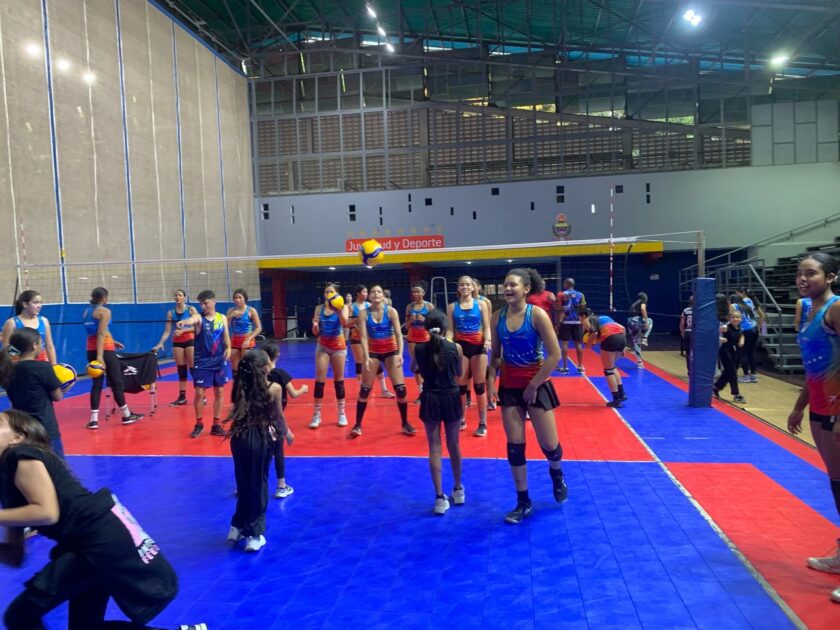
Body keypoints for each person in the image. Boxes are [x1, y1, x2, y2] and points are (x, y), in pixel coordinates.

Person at [0, 410, 209, 630]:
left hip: (98, 540)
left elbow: (47, 512)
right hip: (95, 540)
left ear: (17, 437)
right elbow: (15, 555)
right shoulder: (8, 479)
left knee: (20, 615)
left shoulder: (20, 455)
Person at [490, 268, 567, 524]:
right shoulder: (497, 317)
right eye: (505, 284)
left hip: (536, 385)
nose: (507, 289)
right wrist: (490, 382)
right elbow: (496, 355)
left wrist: (534, 385)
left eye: (513, 285)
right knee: (514, 447)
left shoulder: (537, 315)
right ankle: (523, 502)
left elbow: (555, 355)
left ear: (526, 289)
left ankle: (556, 473)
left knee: (550, 447)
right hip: (510, 387)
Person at [787, 252, 840, 604]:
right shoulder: (809, 310)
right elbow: (813, 366)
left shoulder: (836, 308)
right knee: (837, 484)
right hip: (821, 408)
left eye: (811, 273)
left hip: (838, 410)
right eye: (799, 273)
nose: (803, 279)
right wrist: (800, 405)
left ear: (830, 276)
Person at [226, 350, 294, 552]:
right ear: (265, 367)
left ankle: (237, 526)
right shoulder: (274, 388)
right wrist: (287, 433)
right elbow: (279, 417)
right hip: (259, 439)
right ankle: (254, 534)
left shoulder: (240, 386)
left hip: (238, 438)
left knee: (243, 482)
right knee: (258, 484)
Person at [411, 310, 464, 515]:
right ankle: (458, 489)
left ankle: (440, 498)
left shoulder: (419, 348)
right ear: (445, 327)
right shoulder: (455, 347)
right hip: (451, 396)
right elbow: (459, 373)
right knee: (454, 444)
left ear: (426, 328)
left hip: (430, 397)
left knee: (434, 446)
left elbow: (413, 368)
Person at [352, 284, 416, 437]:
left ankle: (405, 423)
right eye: (373, 291)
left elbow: (399, 335)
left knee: (401, 390)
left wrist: (400, 354)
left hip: (391, 350)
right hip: (373, 351)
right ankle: (357, 425)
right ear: (369, 296)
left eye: (379, 291)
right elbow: (363, 337)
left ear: (383, 296)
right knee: (364, 390)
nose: (376, 294)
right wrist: (366, 357)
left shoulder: (391, 311)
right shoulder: (363, 313)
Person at [82, 287, 143, 430]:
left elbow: (98, 331)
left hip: (90, 349)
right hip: (105, 350)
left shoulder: (86, 311)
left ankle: (93, 420)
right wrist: (100, 356)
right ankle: (126, 415)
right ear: (104, 298)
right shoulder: (105, 311)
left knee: (96, 384)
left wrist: (113, 341)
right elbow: (101, 334)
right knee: (117, 382)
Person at [0, 329, 65, 456]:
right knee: (55, 464)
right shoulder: (43, 367)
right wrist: (67, 385)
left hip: (20, 427)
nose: (42, 346)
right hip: (44, 427)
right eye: (41, 343)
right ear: (34, 345)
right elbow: (57, 396)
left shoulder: (8, 368)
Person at [176, 290, 231, 438]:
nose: (203, 306)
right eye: (201, 304)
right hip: (202, 361)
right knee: (200, 393)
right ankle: (199, 423)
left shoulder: (222, 318)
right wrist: (184, 322)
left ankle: (216, 424)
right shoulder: (199, 318)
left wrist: (229, 348)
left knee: (219, 392)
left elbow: (226, 335)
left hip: (219, 360)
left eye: (205, 303)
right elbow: (192, 319)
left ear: (214, 301)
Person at [260, 343, 308, 499]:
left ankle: (246, 484)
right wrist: (304, 389)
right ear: (277, 356)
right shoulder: (280, 374)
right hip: (274, 421)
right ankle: (281, 486)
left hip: (258, 420)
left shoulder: (257, 375)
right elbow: (294, 393)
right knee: (278, 451)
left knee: (259, 453)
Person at [447, 275, 491, 437]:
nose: (465, 287)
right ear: (458, 288)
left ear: (473, 287)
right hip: (461, 348)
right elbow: (450, 329)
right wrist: (448, 342)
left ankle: (482, 422)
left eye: (468, 284)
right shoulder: (452, 307)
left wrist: (488, 340)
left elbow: (487, 326)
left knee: (479, 386)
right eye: (462, 285)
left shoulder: (481, 304)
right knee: (460, 388)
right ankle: (462, 419)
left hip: (478, 346)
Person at [309, 283, 350, 429]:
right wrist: (315, 326)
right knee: (320, 381)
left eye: (331, 292)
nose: (328, 294)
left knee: (339, 381)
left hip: (338, 346)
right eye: (326, 292)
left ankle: (341, 413)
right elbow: (316, 332)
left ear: (336, 294)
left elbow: (345, 324)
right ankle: (316, 414)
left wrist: (338, 310)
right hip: (323, 346)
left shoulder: (343, 307)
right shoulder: (319, 308)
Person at [152, 289, 198, 406]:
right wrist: (160, 343)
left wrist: (184, 331)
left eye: (180, 295)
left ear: (184, 297)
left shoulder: (191, 309)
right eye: (176, 295)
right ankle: (182, 397)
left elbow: (197, 327)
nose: (177, 297)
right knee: (181, 370)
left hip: (190, 341)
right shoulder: (170, 313)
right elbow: (167, 331)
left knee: (193, 369)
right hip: (177, 342)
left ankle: (200, 395)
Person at [348, 285, 394, 399]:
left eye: (367, 292)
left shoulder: (369, 305)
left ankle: (384, 389)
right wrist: (358, 319)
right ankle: (362, 389)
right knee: (360, 363)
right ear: (358, 293)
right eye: (364, 292)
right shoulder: (351, 307)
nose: (367, 294)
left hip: (370, 339)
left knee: (376, 363)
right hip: (356, 338)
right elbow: (347, 324)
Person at [583, 311, 628, 407]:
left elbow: (594, 333)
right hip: (621, 337)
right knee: (612, 367)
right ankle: (622, 393)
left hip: (611, 338)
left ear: (583, 316)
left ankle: (616, 400)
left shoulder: (586, 320)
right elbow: (623, 328)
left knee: (608, 370)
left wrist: (588, 345)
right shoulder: (605, 317)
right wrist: (623, 347)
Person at [2, 290, 57, 365]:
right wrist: (17, 363)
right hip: (21, 363)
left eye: (40, 303)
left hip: (42, 362)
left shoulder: (44, 321)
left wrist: (54, 366)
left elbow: (49, 346)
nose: (39, 306)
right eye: (35, 302)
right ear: (25, 304)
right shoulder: (12, 323)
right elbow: (7, 347)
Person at [405, 281, 433, 404]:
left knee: (427, 365)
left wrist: (425, 320)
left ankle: (429, 389)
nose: (416, 294)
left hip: (426, 338)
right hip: (412, 338)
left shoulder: (429, 306)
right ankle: (421, 392)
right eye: (414, 292)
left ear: (423, 293)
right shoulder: (409, 307)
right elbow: (406, 326)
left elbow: (434, 324)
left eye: (418, 291)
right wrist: (410, 321)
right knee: (416, 365)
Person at [226, 288, 263, 377]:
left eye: (240, 297)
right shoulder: (231, 310)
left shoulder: (251, 310)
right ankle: (237, 385)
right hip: (235, 340)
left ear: (245, 299)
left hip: (247, 339)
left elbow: (259, 328)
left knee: (247, 366)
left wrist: (249, 339)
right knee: (235, 368)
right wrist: (230, 316)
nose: (237, 300)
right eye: (235, 298)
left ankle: (249, 384)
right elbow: (225, 326)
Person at [555, 278, 587, 374]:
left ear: (566, 284)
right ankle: (580, 366)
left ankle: (565, 367)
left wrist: (558, 322)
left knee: (565, 344)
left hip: (565, 322)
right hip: (577, 322)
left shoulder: (561, 294)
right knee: (578, 344)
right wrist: (582, 322)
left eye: (564, 283)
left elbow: (558, 308)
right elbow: (583, 309)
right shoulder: (581, 295)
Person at [714, 309, 746, 404]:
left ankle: (716, 387)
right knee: (732, 372)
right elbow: (713, 334)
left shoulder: (740, 328)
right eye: (733, 317)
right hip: (725, 351)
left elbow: (742, 335)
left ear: (741, 319)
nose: (735, 319)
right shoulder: (725, 327)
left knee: (728, 372)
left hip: (735, 352)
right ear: (729, 318)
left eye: (737, 317)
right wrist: (720, 338)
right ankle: (736, 394)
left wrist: (742, 340)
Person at [734, 288, 765, 383]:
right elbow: (762, 315)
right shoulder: (751, 301)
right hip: (754, 328)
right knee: (751, 352)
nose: (736, 295)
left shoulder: (738, 304)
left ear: (743, 293)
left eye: (737, 293)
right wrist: (759, 327)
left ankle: (746, 376)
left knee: (743, 352)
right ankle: (753, 375)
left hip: (745, 330)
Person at [627, 292, 652, 366]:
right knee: (650, 321)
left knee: (636, 341)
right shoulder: (642, 301)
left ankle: (639, 362)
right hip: (636, 321)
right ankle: (645, 338)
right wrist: (646, 320)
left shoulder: (634, 304)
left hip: (630, 322)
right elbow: (643, 309)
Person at [680, 296, 694, 374]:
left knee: (688, 353)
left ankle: (690, 371)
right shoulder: (699, 311)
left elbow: (682, 324)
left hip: (687, 332)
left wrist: (683, 333)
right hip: (696, 333)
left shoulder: (685, 310)